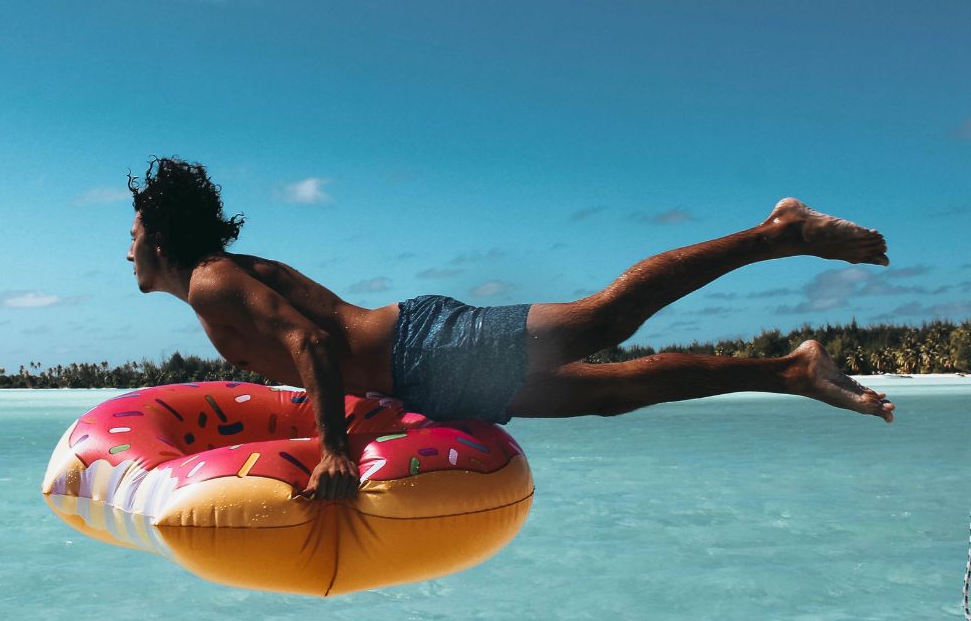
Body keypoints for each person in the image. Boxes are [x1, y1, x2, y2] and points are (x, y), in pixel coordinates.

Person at [125, 157, 895, 501]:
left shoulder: (213, 280)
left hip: (423, 347)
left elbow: (314, 344)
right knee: (610, 395)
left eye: (132, 233)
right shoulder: (214, 284)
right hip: (425, 375)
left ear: (158, 235)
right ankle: (788, 372)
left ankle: (775, 233)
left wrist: (332, 450)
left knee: (605, 316)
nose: (127, 249)